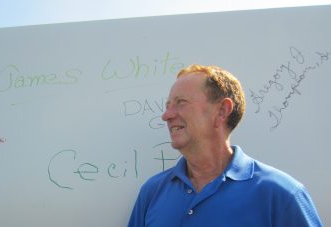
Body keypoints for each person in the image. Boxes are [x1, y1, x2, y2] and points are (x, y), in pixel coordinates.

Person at [128, 64, 323, 227]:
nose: (166, 115)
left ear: (222, 111)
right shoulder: (152, 192)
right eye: (168, 105)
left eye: (181, 102)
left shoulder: (281, 194)